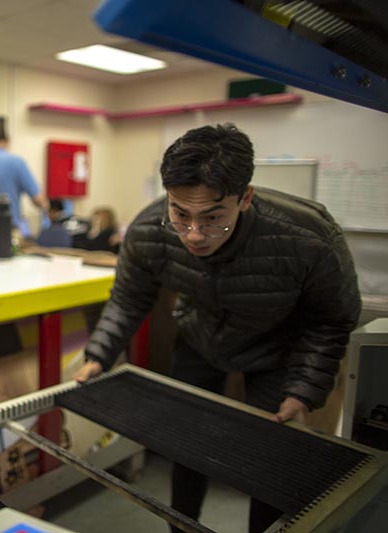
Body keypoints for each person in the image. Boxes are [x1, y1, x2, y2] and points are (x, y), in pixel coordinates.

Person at [73, 123, 361, 533]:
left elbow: (331, 320)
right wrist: (98, 356)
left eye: (212, 218)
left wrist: (304, 390)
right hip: (200, 337)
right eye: (180, 213)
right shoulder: (149, 228)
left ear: (245, 198)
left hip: (277, 348)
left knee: (269, 462)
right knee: (188, 444)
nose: (193, 233)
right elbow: (129, 298)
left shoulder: (308, 237)